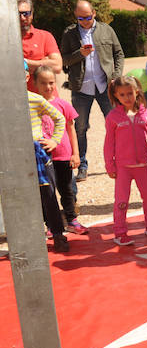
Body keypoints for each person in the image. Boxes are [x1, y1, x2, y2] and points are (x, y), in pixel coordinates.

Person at [59, 0, 125, 182]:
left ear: (94, 13)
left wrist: (116, 76)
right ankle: (82, 166)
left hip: (107, 87)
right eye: (81, 18)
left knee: (116, 126)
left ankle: (119, 161)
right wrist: (80, 54)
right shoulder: (69, 34)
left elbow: (119, 53)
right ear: (76, 17)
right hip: (81, 88)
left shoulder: (106, 30)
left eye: (87, 17)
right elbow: (63, 59)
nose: (85, 21)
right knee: (79, 129)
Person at [103, 75, 147, 246]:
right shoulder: (112, 117)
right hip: (123, 167)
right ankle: (120, 232)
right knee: (122, 200)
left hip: (143, 166)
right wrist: (110, 165)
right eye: (122, 95)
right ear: (116, 95)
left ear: (137, 92)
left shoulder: (145, 115)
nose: (127, 98)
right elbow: (108, 143)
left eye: (130, 93)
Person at [33, 66, 85, 235]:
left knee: (67, 190)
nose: (48, 87)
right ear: (35, 84)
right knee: (47, 193)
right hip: (43, 158)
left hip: (63, 155)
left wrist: (76, 153)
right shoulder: (33, 106)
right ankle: (51, 225)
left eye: (51, 83)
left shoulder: (63, 104)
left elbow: (71, 130)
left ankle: (72, 220)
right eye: (43, 83)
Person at [25, 63, 68, 252]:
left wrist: (54, 141)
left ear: (27, 77)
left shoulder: (35, 100)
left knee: (49, 194)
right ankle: (28, 239)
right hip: (16, 155)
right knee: (23, 196)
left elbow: (60, 118)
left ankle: (58, 234)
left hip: (39, 153)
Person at [19, 0, 62, 84]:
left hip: (45, 96)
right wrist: (43, 62)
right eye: (18, 14)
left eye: (26, 13)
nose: (22, 18)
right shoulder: (5, 41)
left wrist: (24, 62)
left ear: (32, 14)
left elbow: (57, 66)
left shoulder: (45, 36)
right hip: (16, 95)